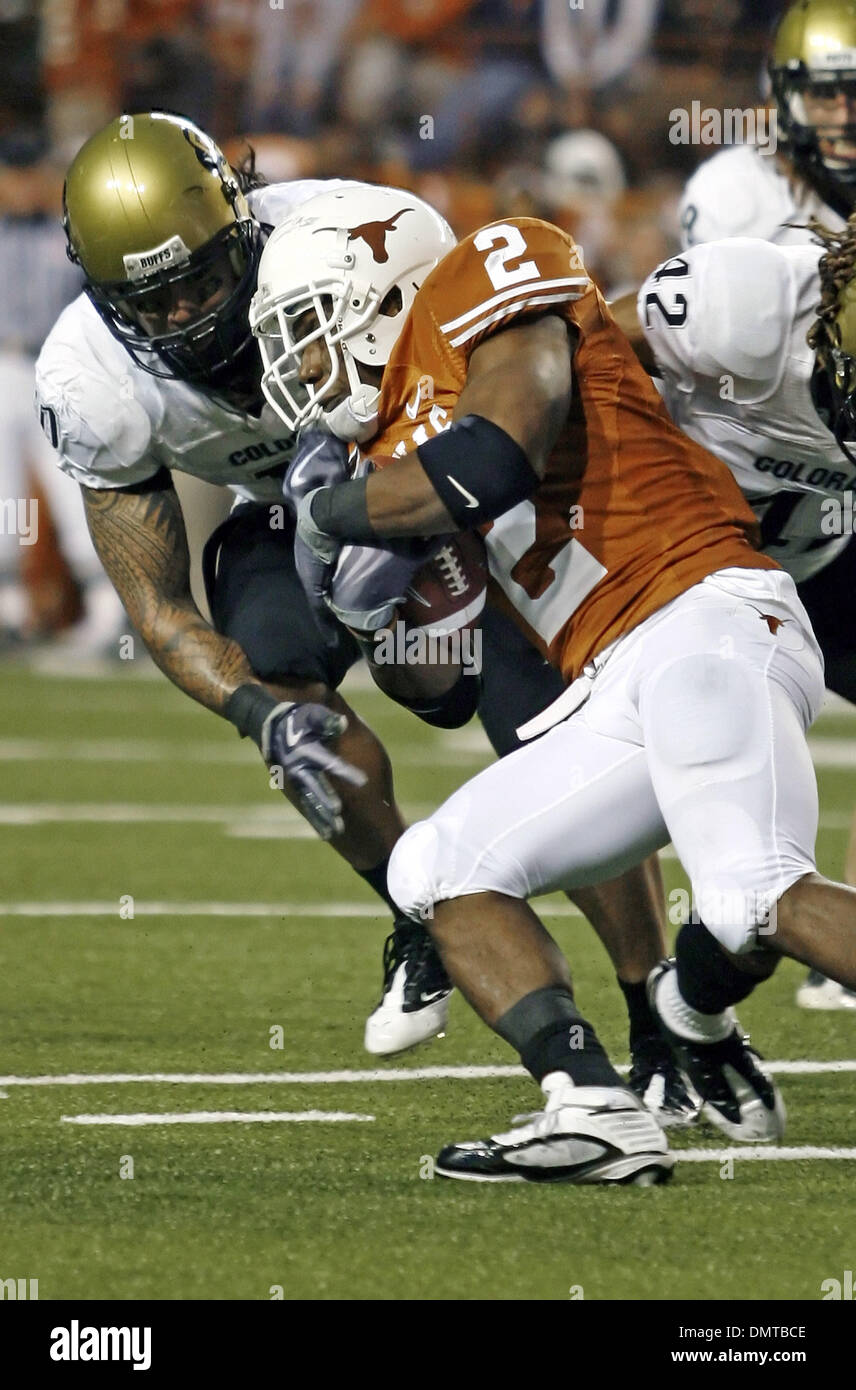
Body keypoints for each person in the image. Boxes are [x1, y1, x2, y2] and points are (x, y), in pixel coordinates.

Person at [35, 111, 689, 1114]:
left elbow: (486, 419)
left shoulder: (359, 239)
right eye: (150, 302)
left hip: (418, 484)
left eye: (202, 284)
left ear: (241, 223)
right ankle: (413, 903)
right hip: (284, 515)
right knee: (283, 688)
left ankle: (657, 1009)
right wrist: (260, 713)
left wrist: (437, 533)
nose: (183, 321)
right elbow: (157, 606)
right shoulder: (92, 379)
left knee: (545, 733)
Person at [256, 183, 856, 1183]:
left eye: (310, 333)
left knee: (749, 892)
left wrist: (340, 514)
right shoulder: (394, 437)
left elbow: (495, 456)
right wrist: (385, 598)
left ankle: (688, 1015)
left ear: (373, 296)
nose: (304, 367)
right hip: (615, 671)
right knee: (436, 868)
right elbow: (440, 691)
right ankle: (593, 1106)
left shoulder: (479, 278)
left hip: (700, 612)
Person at [677, 0, 856, 1009]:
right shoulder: (735, 194)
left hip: (831, 524)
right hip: (725, 523)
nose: (844, 116)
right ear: (787, 99)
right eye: (829, 92)